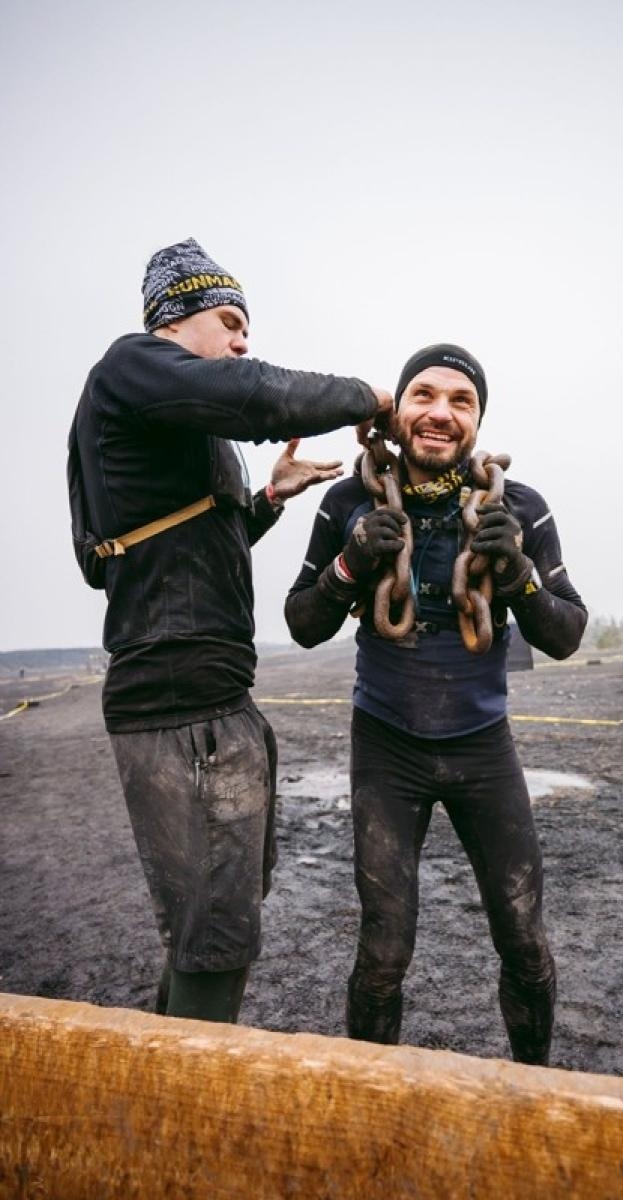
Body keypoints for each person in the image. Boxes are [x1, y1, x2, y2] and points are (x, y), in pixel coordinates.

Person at [68, 237, 393, 1024]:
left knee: (211, 922)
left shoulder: (163, 421)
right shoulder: (129, 367)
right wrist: (368, 398)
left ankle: (161, 1086)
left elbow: (160, 552)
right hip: (183, 713)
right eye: (229, 319)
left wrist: (267, 501)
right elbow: (255, 396)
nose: (245, 340)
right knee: (215, 936)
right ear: (173, 321)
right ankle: (176, 1126)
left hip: (211, 698)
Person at [284, 343, 587, 1064]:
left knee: (522, 935)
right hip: (387, 746)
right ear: (398, 409)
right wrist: (351, 564)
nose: (441, 413)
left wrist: (515, 574)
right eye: (424, 395)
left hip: (484, 747)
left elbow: (567, 631)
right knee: (385, 945)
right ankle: (372, 1097)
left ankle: (534, 1086)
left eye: (462, 401)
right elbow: (302, 624)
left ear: (478, 421)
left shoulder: (520, 508)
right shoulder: (349, 503)